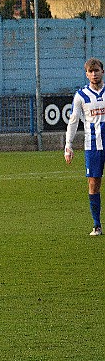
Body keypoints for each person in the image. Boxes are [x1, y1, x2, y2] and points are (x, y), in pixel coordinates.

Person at [65, 57, 105, 236]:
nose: (94, 74)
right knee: (93, 183)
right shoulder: (81, 95)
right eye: (91, 71)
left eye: (97, 70)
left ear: (102, 72)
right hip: (92, 146)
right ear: (86, 74)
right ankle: (97, 225)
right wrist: (68, 145)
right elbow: (73, 121)